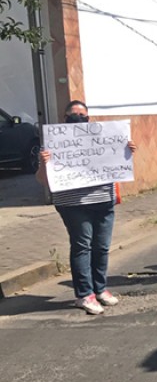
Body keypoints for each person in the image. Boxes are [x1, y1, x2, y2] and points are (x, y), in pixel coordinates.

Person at [36, 101, 137, 315]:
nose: (78, 118)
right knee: (82, 245)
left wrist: (126, 152)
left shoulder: (103, 137)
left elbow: (118, 165)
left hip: (104, 200)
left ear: (89, 118)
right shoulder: (55, 143)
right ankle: (84, 295)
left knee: (101, 246)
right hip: (73, 204)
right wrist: (43, 163)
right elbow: (43, 180)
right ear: (65, 118)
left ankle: (99, 289)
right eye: (73, 114)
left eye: (82, 115)